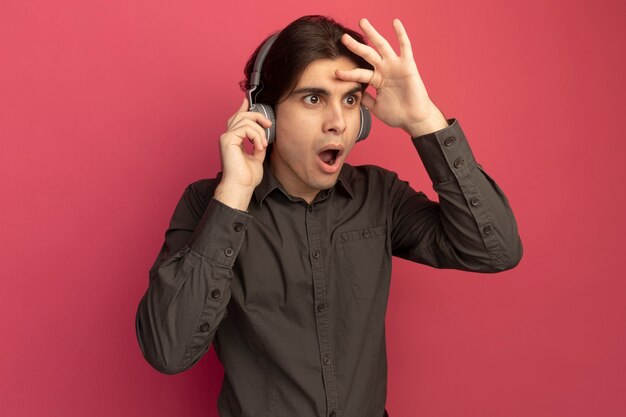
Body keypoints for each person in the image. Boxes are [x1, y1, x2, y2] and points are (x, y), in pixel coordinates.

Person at [135, 15, 522, 417]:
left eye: (351, 100)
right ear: (264, 115)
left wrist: (424, 120)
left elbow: (494, 250)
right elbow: (168, 351)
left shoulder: (380, 195)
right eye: (314, 98)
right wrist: (234, 194)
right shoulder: (207, 204)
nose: (338, 123)